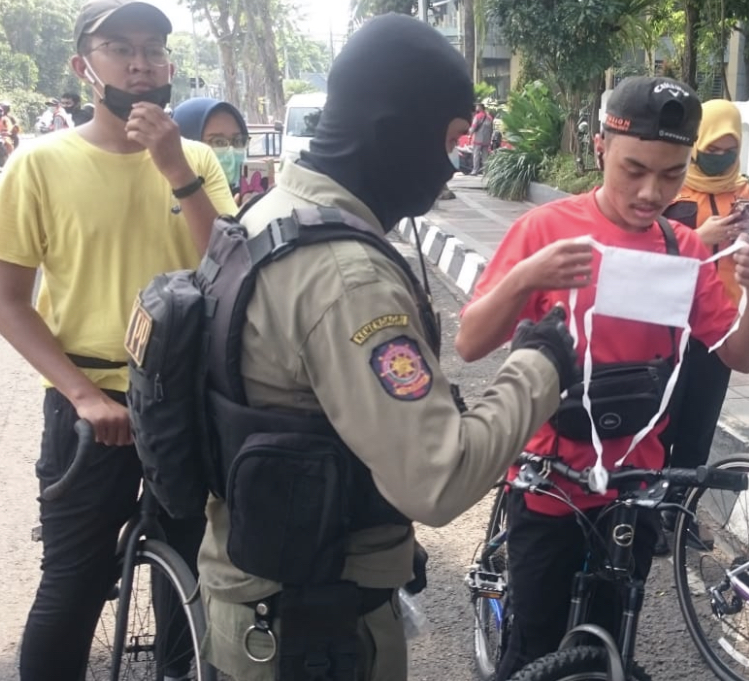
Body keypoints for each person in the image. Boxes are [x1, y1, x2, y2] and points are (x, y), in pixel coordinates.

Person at [196, 14, 576, 681]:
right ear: (390, 133)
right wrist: (540, 365)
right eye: (453, 139)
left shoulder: (267, 215)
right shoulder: (348, 277)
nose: (457, 162)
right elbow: (438, 477)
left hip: (260, 600)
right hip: (314, 633)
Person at [455, 76, 749, 680]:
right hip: (550, 483)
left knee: (609, 650)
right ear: (601, 147)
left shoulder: (682, 249)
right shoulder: (546, 229)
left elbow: (739, 356)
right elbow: (470, 342)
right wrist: (526, 277)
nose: (652, 191)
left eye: (672, 174)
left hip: (634, 487)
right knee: (534, 652)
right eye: (634, 170)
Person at [0, 1, 236, 679]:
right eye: (120, 47)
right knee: (73, 585)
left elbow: (229, 270)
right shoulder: (39, 164)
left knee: (195, 577)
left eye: (153, 49)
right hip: (91, 409)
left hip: (187, 402)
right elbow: (6, 303)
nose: (140, 63)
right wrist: (83, 395)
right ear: (84, 66)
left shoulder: (197, 159)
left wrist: (175, 167)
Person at [660, 99, 749, 538]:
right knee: (663, 422)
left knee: (699, 427)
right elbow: (650, 250)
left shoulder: (742, 192)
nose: (720, 156)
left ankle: (681, 515)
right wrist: (702, 237)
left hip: (721, 327)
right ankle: (650, 512)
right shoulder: (673, 190)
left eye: (729, 149)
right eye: (713, 146)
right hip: (671, 325)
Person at [171, 97, 250, 201]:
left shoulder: (244, 199)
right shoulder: (165, 204)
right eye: (218, 142)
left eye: (238, 141)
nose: (231, 151)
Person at [470, 101, 493, 175]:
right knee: (485, 155)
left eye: (477, 106)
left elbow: (473, 127)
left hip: (478, 139)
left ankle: (475, 170)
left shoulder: (477, 116)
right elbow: (492, 129)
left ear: (480, 107)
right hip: (486, 140)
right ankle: (485, 171)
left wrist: (469, 133)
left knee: (476, 154)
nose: (476, 107)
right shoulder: (489, 117)